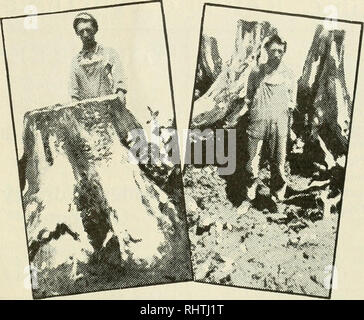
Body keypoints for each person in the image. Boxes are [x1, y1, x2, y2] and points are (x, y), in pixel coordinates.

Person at [244, 35, 297, 201]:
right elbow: (249, 96)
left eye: (280, 51)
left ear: (284, 52)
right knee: (253, 158)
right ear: (266, 50)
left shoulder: (289, 74)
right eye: (273, 50)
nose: (276, 54)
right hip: (258, 121)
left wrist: (289, 125)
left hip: (280, 123)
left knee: (279, 160)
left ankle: (278, 193)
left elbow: (292, 103)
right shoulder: (256, 72)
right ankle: (250, 189)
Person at [70, 12, 127, 104]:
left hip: (110, 107)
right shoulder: (76, 62)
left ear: (95, 29)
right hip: (87, 112)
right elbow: (74, 94)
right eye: (81, 31)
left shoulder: (109, 53)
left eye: (88, 30)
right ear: (77, 33)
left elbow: (120, 83)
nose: (85, 35)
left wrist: (120, 103)